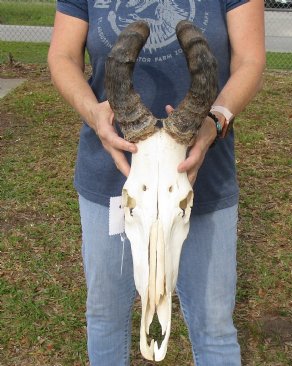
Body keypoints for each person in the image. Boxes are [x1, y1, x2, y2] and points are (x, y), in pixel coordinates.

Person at [48, 1, 265, 365]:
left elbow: (250, 60)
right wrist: (94, 113)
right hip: (112, 181)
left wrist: (215, 119)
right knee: (105, 316)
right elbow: (62, 56)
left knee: (214, 326)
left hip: (203, 181)